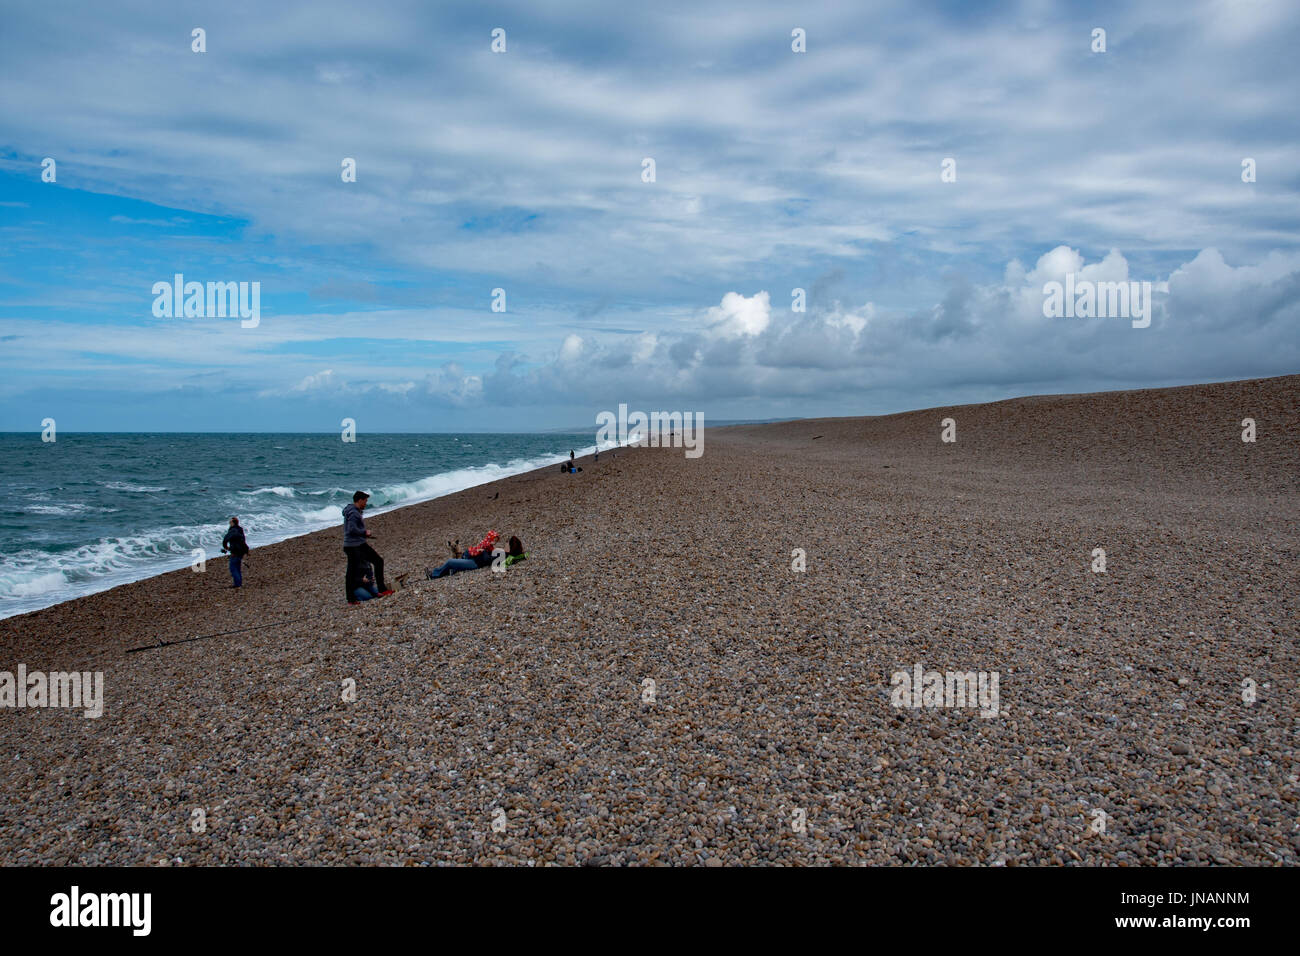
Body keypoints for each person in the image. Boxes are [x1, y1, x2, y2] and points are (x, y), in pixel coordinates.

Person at [344, 491, 391, 604]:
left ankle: (380, 589)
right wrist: (364, 532)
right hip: (354, 546)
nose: (366, 503)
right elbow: (351, 529)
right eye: (365, 501)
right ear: (360, 500)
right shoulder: (354, 513)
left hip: (356, 544)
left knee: (376, 562)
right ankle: (352, 598)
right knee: (354, 570)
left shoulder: (353, 511)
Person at [426, 530, 500, 579]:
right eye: (494, 540)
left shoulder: (491, 549)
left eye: (496, 540)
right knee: (453, 564)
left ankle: (433, 575)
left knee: (450, 562)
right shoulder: (486, 545)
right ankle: (441, 573)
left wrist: (483, 551)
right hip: (471, 559)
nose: (495, 542)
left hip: (475, 563)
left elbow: (487, 560)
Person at [220, 517, 249, 588]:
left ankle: (237, 584)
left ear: (233, 523)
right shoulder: (240, 529)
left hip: (235, 551)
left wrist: (226, 547)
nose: (229, 524)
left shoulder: (232, 530)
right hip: (241, 551)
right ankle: (239, 583)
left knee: (233, 568)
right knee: (238, 568)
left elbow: (225, 540)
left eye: (230, 522)